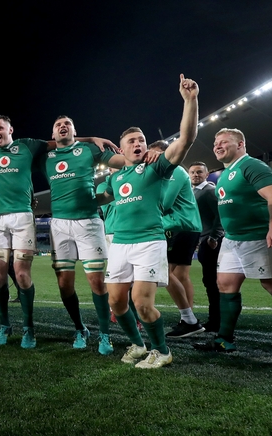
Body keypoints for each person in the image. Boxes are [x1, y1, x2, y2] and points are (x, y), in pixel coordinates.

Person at [0, 115, 112, 348]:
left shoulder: (28, 146)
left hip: (22, 217)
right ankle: (4, 325)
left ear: (11, 129)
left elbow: (62, 142)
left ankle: (29, 329)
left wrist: (91, 138)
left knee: (21, 275)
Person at [98, 74, 199, 369]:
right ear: (122, 149)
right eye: (132, 141)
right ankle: (138, 345)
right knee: (116, 302)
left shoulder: (156, 169)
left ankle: (162, 350)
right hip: (119, 244)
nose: (138, 143)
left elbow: (186, 140)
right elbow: (98, 200)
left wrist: (190, 100)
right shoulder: (116, 179)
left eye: (141, 139)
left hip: (149, 242)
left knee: (142, 303)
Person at [194, 129, 272, 357]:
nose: (217, 146)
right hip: (232, 240)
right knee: (226, 285)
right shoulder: (225, 173)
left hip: (258, 237)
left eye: (224, 142)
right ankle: (224, 340)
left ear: (240, 144)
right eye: (215, 143)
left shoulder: (252, 166)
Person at [43, 115, 125, 354]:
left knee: (97, 282)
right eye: (58, 125)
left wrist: (137, 155)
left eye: (67, 124)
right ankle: (80, 328)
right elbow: (30, 145)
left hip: (88, 222)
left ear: (74, 130)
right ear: (53, 133)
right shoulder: (45, 156)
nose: (62, 127)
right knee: (64, 285)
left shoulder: (89, 149)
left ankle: (104, 335)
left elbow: (121, 160)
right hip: (59, 225)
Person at [146, 140, 205, 339]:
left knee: (164, 272)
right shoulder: (170, 172)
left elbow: (164, 202)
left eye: (154, 154)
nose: (150, 158)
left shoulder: (175, 171)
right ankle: (188, 319)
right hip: (184, 226)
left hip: (179, 226)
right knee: (180, 275)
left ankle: (188, 319)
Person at [188, 161, 224, 332]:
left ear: (207, 174)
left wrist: (214, 236)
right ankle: (215, 319)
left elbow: (220, 214)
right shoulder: (194, 192)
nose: (196, 175)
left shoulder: (209, 191)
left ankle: (216, 321)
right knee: (209, 281)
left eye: (199, 172)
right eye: (193, 172)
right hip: (203, 239)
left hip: (211, 241)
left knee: (211, 281)